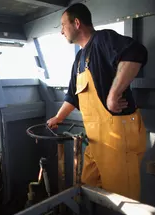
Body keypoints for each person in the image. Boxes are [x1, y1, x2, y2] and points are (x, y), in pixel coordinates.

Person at [47, 3, 148, 200]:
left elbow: (136, 53)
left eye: (62, 25)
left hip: (117, 138)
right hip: (95, 140)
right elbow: (72, 96)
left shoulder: (102, 39)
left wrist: (113, 95)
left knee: (122, 202)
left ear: (76, 23)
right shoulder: (78, 60)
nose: (61, 32)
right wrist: (58, 117)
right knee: (87, 190)